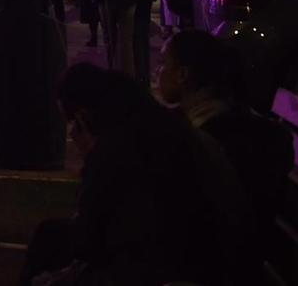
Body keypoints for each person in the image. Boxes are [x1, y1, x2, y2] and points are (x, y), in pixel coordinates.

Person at [21, 63, 236, 285]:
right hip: (194, 255)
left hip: (162, 268)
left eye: (71, 122)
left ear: (82, 117)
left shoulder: (116, 149)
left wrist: (90, 155)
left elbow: (87, 241)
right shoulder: (158, 123)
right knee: (50, 237)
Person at [157, 29, 292, 269]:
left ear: (182, 75)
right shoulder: (227, 120)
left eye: (163, 63)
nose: (158, 72)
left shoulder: (213, 140)